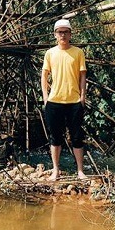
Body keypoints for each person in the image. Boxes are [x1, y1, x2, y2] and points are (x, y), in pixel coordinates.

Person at [41, 18, 87, 180]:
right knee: (55, 137)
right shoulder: (50, 53)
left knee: (77, 137)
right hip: (54, 102)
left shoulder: (78, 52)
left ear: (70, 34)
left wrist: (82, 97)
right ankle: (55, 170)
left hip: (74, 102)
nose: (63, 35)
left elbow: (83, 76)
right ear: (55, 35)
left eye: (65, 32)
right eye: (60, 32)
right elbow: (44, 75)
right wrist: (46, 97)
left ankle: (80, 171)